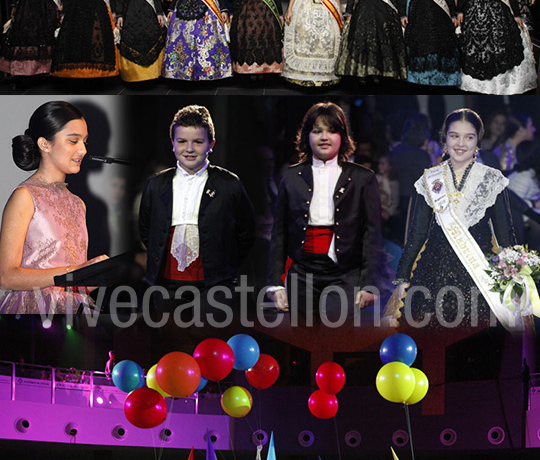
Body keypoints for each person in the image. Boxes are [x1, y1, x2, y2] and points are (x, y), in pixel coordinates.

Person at [385, 108, 518, 331]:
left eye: (469, 137)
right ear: (444, 138)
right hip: (431, 277)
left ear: (478, 142)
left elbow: (505, 235)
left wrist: (516, 275)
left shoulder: (492, 179)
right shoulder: (429, 179)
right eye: (454, 136)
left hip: (479, 279)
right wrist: (402, 278)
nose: (461, 143)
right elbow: (417, 235)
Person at [267, 101, 383, 321]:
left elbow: (372, 235)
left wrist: (369, 284)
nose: (324, 137)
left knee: (337, 340)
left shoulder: (363, 179)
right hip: (302, 273)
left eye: (332, 131)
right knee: (302, 345)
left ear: (343, 136)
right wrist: (274, 284)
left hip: (345, 273)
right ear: (306, 135)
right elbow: (279, 234)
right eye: (317, 130)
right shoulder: (291, 177)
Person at [0, 101, 106, 316]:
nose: (83, 150)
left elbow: (74, 285)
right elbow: (5, 276)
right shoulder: (25, 196)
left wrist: (97, 274)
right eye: (73, 141)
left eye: (84, 141)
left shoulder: (78, 204)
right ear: (44, 144)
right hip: (31, 313)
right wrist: (73, 273)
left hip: (75, 312)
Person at [138, 104, 255, 297]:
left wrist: (224, 267)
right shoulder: (156, 184)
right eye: (182, 141)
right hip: (165, 285)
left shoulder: (229, 184)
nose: (190, 149)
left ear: (211, 144)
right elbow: (146, 230)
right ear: (172, 143)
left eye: (198, 142)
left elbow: (246, 233)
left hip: (215, 286)